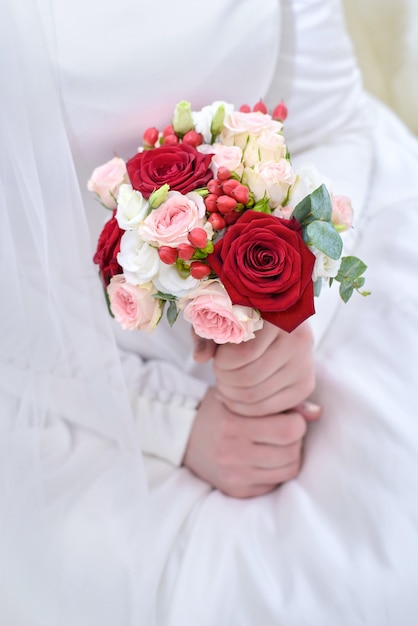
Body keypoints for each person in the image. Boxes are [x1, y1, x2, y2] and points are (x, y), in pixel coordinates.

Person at [1, 0, 418, 625]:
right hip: (62, 360)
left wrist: (292, 304)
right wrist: (175, 424)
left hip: (312, 257)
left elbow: (330, 125)